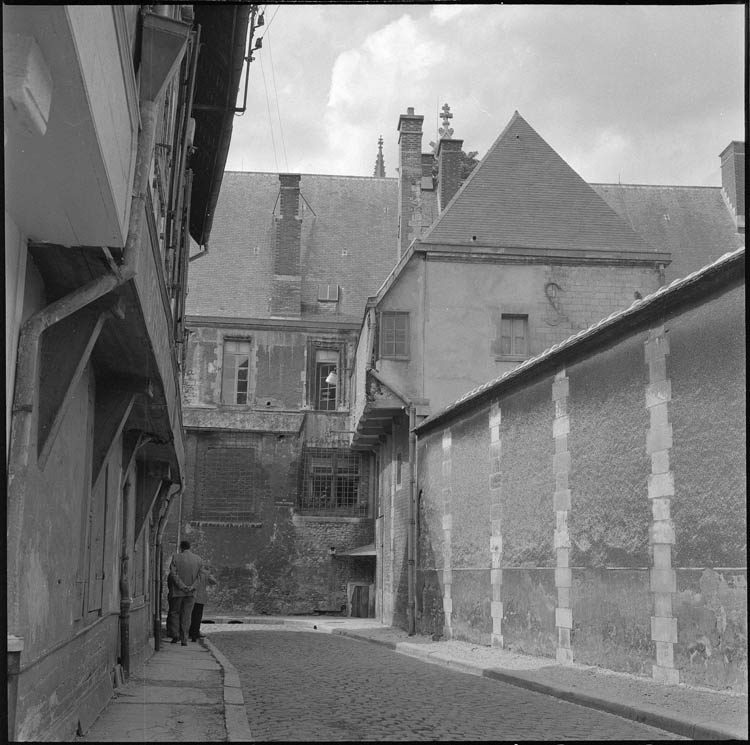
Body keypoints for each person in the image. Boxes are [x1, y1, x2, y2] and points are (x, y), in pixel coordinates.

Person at [168, 540, 202, 646]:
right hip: (191, 592)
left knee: (175, 613)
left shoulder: (176, 557)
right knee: (187, 615)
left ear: (181, 547)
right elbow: (200, 576)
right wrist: (192, 587)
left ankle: (175, 635)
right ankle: (184, 639)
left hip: (178, 592)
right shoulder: (198, 559)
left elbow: (173, 574)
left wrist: (182, 586)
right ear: (190, 547)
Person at [189, 564, 217, 642]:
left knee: (190, 615)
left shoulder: (192, 572)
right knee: (197, 617)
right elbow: (214, 582)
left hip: (191, 596)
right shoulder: (205, 573)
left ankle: (189, 632)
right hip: (200, 598)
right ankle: (195, 633)